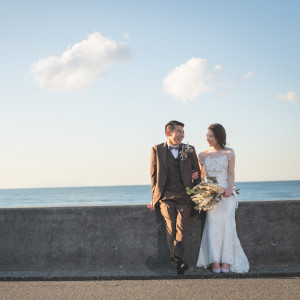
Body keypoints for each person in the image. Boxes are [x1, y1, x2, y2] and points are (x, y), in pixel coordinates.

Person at [147, 120, 201, 274]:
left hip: (185, 196)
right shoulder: (156, 150)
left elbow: (196, 175)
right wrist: (154, 198)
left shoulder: (189, 149)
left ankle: (178, 259)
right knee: (170, 227)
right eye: (178, 131)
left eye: (182, 132)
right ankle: (178, 260)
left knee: (182, 229)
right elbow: (153, 176)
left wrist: (198, 196)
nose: (181, 135)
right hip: (166, 196)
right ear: (168, 133)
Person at [196, 123, 249, 273]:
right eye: (207, 136)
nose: (208, 138)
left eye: (211, 136)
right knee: (212, 227)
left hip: (226, 194)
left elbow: (231, 173)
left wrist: (229, 189)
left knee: (228, 227)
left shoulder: (229, 153)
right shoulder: (202, 155)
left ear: (219, 136)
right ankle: (214, 261)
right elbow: (202, 176)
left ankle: (226, 261)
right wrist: (205, 193)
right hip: (210, 196)